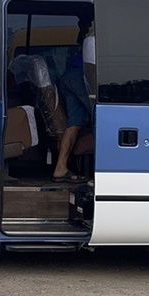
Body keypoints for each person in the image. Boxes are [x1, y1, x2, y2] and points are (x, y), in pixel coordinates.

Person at [52, 18, 95, 182]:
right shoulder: (96, 38)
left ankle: (60, 168)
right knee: (101, 117)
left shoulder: (86, 38)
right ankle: (101, 170)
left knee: (74, 123)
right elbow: (92, 70)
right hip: (80, 77)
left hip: (69, 76)